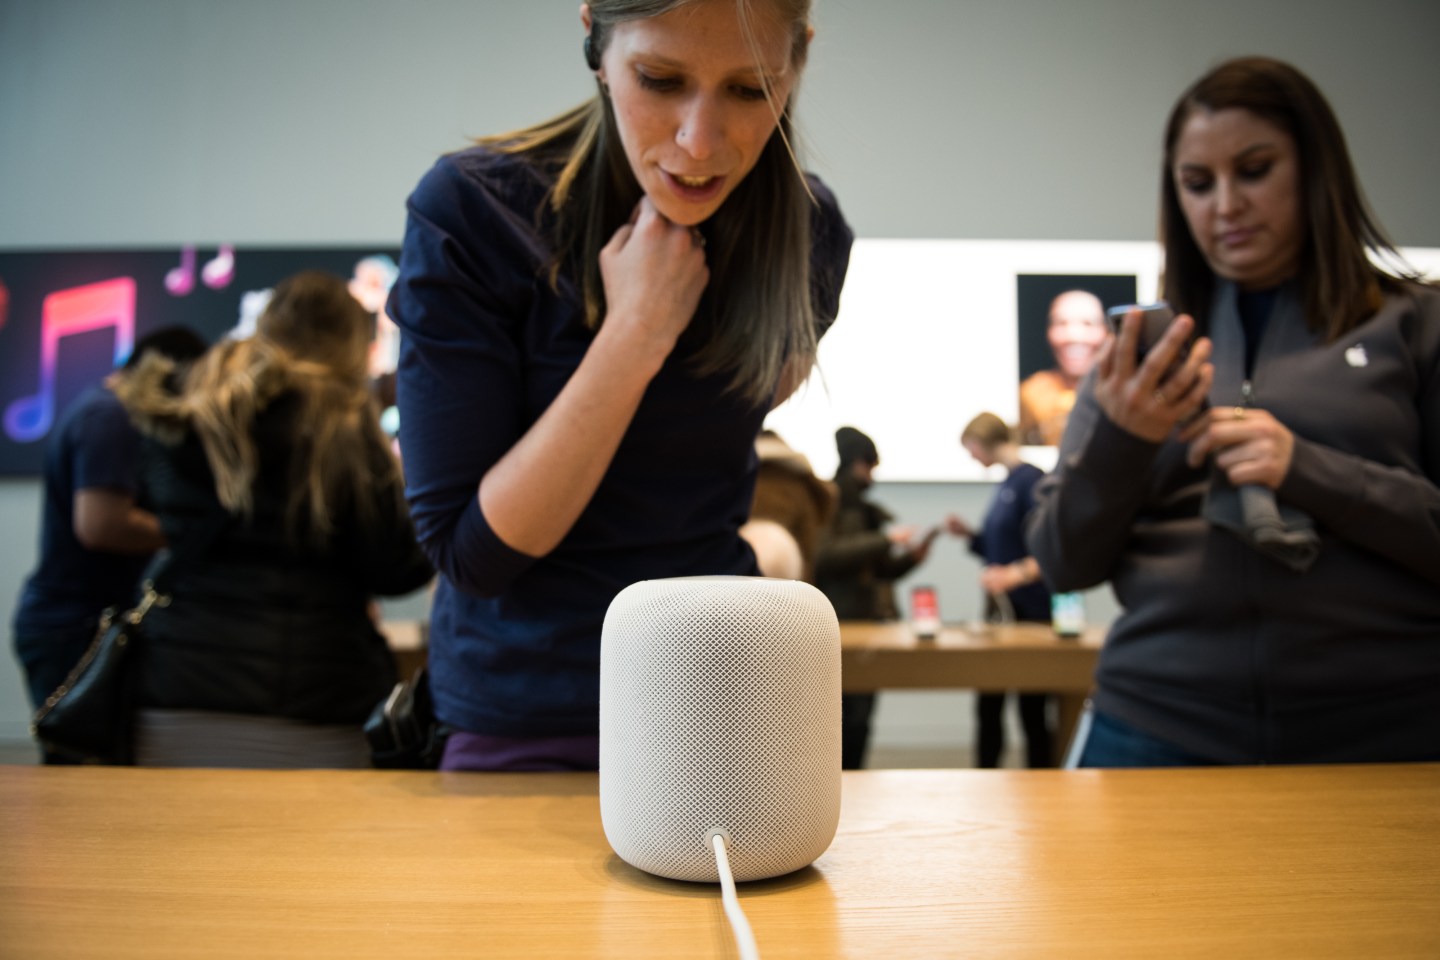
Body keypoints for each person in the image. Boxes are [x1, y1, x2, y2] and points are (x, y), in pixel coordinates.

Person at [387, 0, 853, 771]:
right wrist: (636, 334)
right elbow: (474, 557)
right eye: (660, 79)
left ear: (796, 61)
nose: (700, 143)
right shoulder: (477, 212)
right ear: (596, 45)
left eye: (750, 89)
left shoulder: (810, 230)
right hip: (525, 716)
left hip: (721, 697)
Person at [1026, 56, 1440, 766]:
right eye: (1197, 183)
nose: (1225, 205)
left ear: (1316, 171)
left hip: (1388, 728)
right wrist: (1122, 442)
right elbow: (1062, 561)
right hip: (1158, 723)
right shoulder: (1136, 355)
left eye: (1254, 170)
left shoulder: (1415, 326)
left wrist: (1309, 469)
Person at [115, 271, 434, 767]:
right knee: (311, 846)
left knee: (170, 842)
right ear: (353, 342)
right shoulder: (345, 421)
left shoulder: (195, 402)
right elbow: (398, 566)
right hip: (319, 696)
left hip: (176, 684)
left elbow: (159, 510)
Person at [12, 327, 208, 753]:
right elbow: (100, 526)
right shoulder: (110, 417)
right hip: (75, 626)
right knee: (81, 780)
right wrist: (192, 536)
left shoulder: (98, 410)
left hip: (73, 621)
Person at [814, 426, 940, 769]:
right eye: (870, 466)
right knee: (836, 722)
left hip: (869, 625)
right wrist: (886, 540)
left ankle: (855, 782)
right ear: (857, 463)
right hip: (837, 627)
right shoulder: (827, 503)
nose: (872, 475)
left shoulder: (867, 511)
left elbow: (879, 572)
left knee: (861, 718)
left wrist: (913, 558)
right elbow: (825, 557)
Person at [949, 413, 1053, 768]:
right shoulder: (1006, 483)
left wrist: (1014, 575)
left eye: (970, 449)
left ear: (979, 442)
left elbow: (1049, 550)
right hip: (1000, 615)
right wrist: (971, 536)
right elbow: (1001, 547)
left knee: (1032, 709)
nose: (971, 457)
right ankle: (986, 776)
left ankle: (1044, 786)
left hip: (1031, 612)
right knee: (989, 703)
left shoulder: (1032, 481)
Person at [743, 428, 836, 581]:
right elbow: (809, 548)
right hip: (796, 591)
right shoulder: (807, 488)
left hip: (734, 590)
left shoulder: (737, 485)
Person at [1017, 289, 1108, 446]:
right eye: (1061, 323)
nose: (1074, 335)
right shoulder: (1031, 394)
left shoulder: (1122, 391)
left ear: (1106, 331)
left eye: (1087, 323)